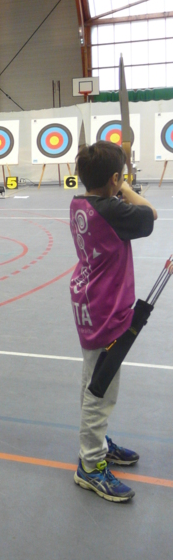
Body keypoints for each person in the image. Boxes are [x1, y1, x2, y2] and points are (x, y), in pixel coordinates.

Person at [70, 140, 157, 502]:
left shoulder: (81, 203)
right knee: (101, 389)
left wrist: (116, 182)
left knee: (94, 378)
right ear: (113, 179)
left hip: (89, 302)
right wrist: (125, 185)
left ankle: (98, 442)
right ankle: (91, 465)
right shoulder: (111, 210)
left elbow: (112, 200)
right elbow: (150, 214)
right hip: (105, 310)